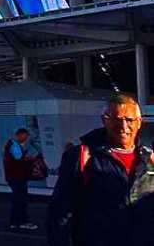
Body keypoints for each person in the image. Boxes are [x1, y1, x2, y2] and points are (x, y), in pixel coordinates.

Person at [47, 92, 154, 245]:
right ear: (105, 120)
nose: (124, 126)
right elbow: (60, 213)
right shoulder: (82, 156)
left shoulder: (149, 157)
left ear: (139, 122)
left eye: (129, 120)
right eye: (117, 119)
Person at [4, 127, 37, 231]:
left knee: (17, 200)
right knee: (21, 200)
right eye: (25, 136)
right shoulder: (14, 145)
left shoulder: (11, 144)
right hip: (17, 177)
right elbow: (18, 158)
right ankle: (23, 221)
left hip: (14, 176)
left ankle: (15, 222)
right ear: (20, 135)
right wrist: (28, 158)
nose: (25, 139)